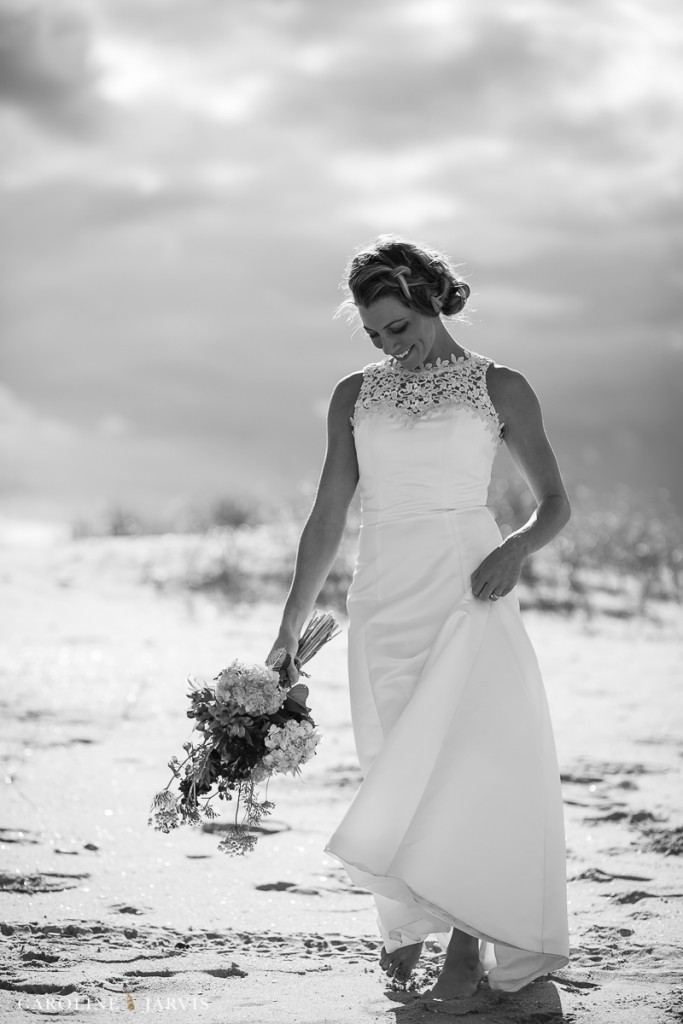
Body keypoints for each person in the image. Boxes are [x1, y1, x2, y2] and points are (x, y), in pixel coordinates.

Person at [265, 235, 571, 999]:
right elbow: (328, 513)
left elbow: (555, 504)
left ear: (431, 303)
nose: (387, 346)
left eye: (398, 328)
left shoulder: (500, 387)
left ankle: (468, 945)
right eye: (374, 335)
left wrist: (514, 551)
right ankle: (408, 921)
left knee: (470, 760)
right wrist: (285, 629)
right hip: (383, 592)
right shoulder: (352, 395)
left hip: (470, 583)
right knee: (397, 762)